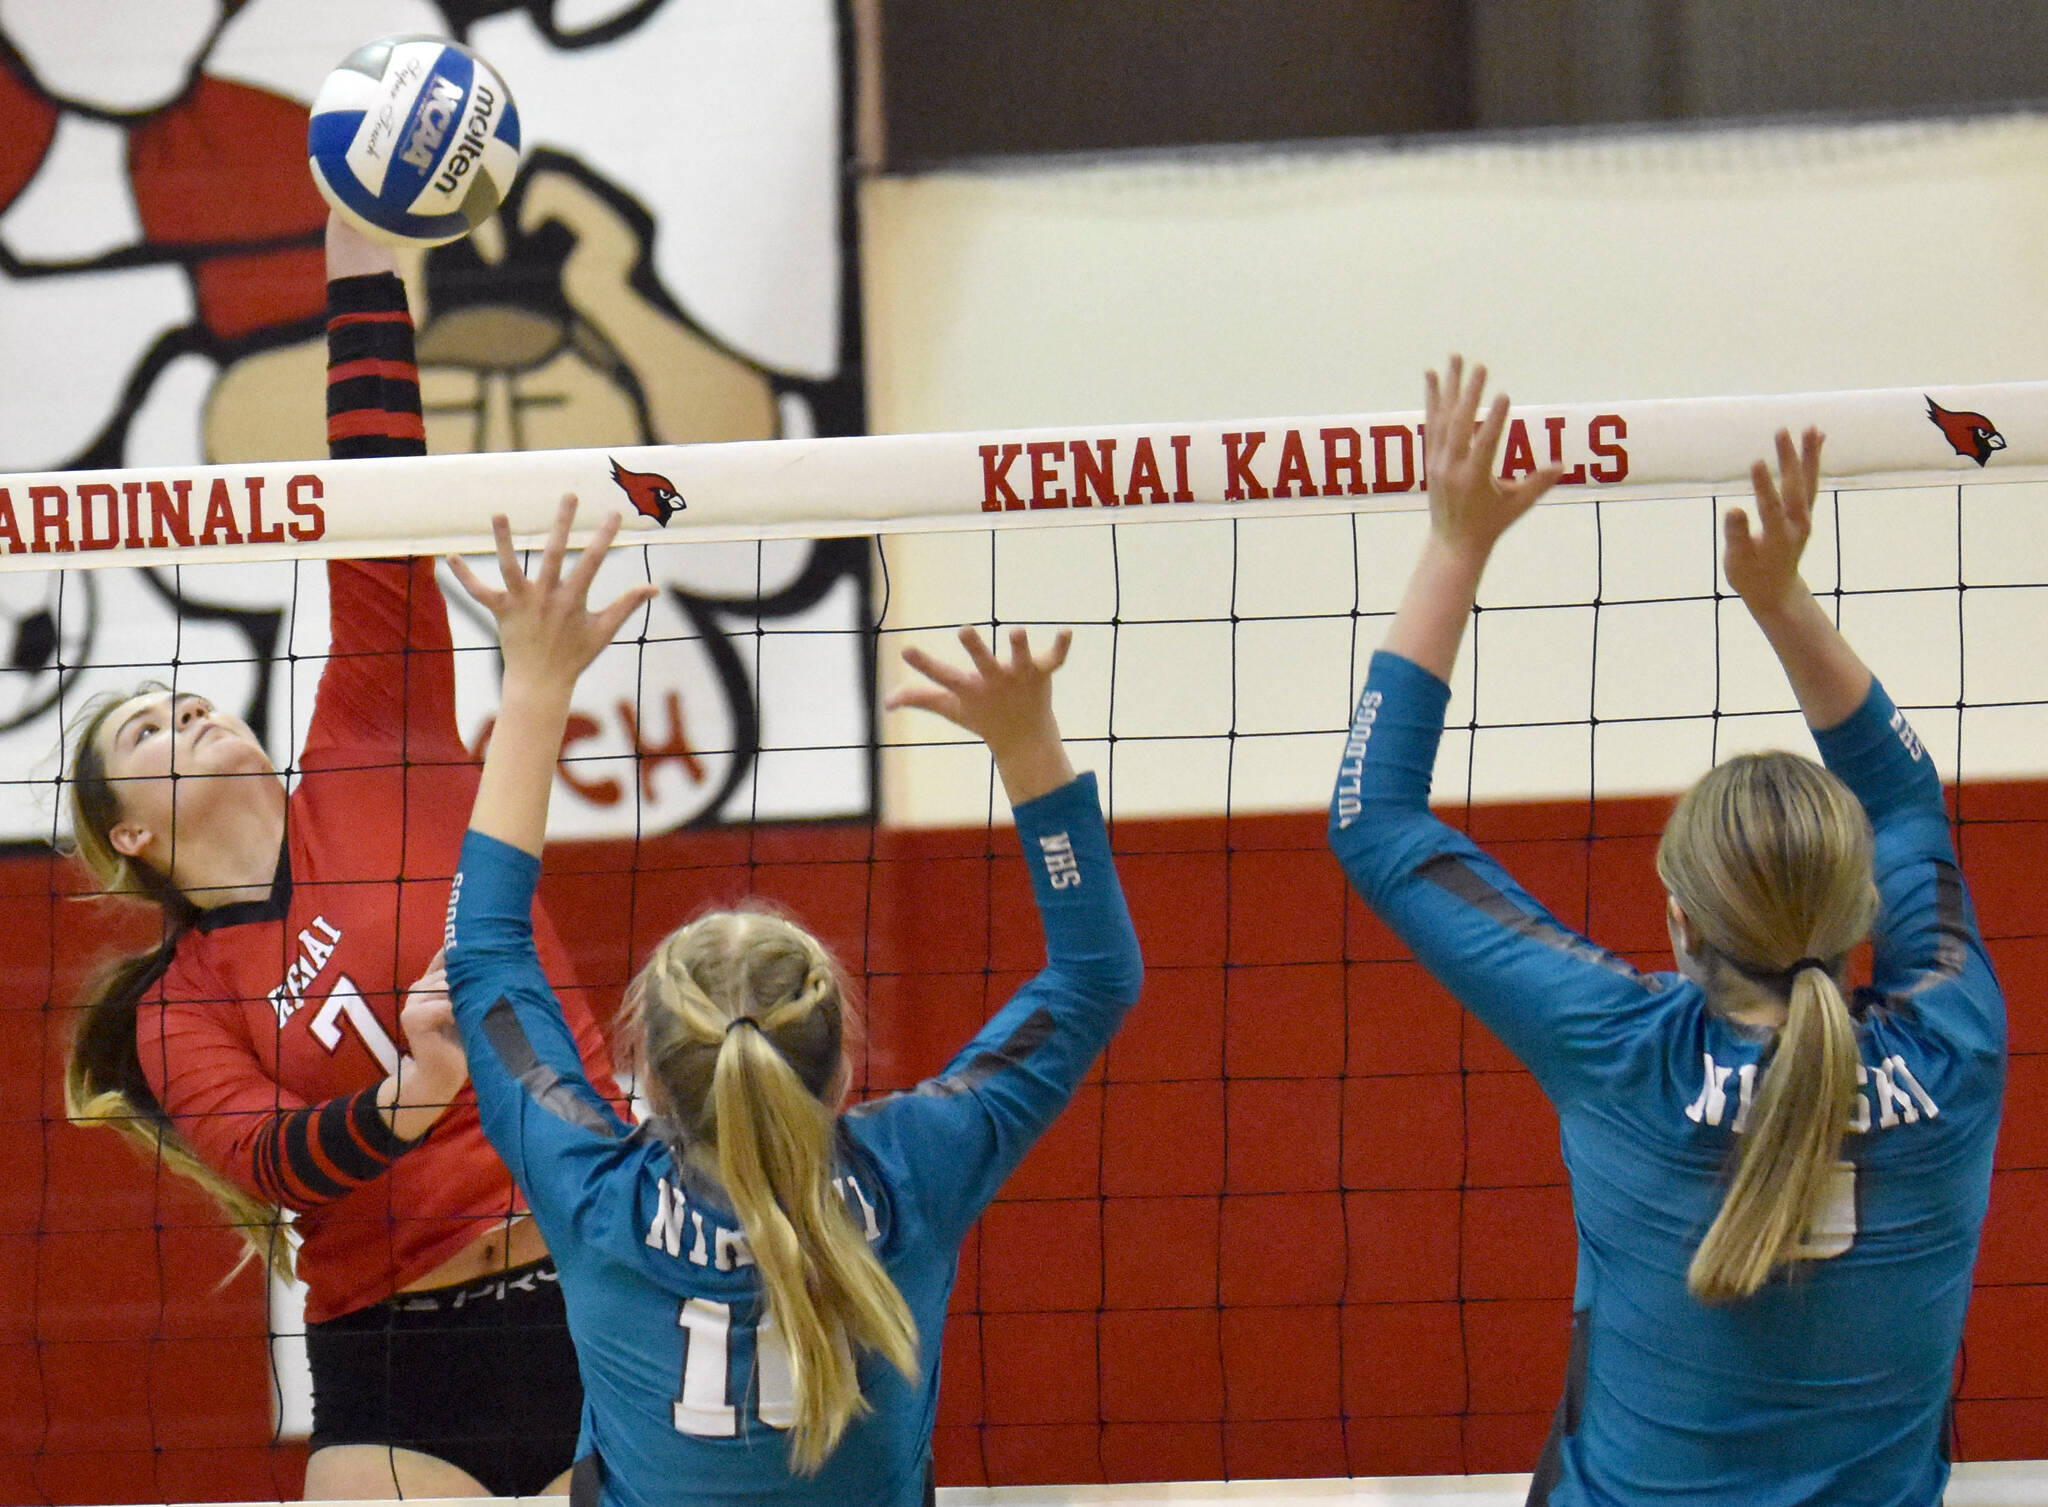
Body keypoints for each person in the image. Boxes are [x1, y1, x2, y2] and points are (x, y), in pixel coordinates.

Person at [1329, 358, 2003, 1506]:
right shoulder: (1954, 1046)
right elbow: (1902, 803)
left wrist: (1456, 540)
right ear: (1858, 914)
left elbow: (1368, 815)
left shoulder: (1625, 1050)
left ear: (1679, 919)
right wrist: (1784, 602)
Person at [63, 214, 623, 1499]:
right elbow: (266, 1158)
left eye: (182, 697)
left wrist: (361, 259)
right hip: (393, 1345)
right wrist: (407, 1100)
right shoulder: (177, 1007)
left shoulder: (376, 738)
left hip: (592, 1277)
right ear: (133, 838)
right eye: (143, 730)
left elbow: (375, 500)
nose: (183, 710)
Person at [433, 498, 1142, 1505]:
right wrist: (1030, 747)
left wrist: (535, 685)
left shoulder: (592, 1193)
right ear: (844, 1061)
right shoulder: (916, 1168)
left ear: (649, 1081)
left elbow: (480, 953)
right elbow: (1095, 972)